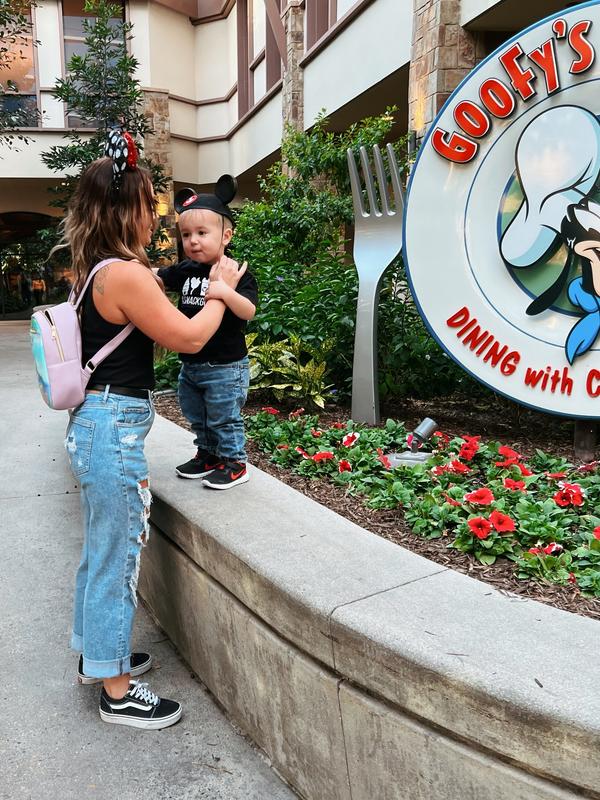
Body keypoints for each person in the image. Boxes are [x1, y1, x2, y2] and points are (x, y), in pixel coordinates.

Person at [59, 127, 245, 729]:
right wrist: (222, 290)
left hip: (95, 422)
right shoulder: (126, 274)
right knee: (118, 557)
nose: (158, 220)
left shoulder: (92, 269)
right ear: (125, 209)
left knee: (100, 551)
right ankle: (117, 692)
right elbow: (190, 337)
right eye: (149, 207)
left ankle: (99, 655)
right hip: (112, 425)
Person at [156, 178, 258, 490]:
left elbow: (248, 311)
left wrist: (225, 293)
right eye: (186, 235)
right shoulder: (185, 269)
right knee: (196, 412)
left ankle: (234, 462)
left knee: (223, 416)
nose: (193, 241)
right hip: (193, 364)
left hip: (226, 366)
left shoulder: (236, 271)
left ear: (226, 235)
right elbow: (157, 278)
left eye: (202, 233)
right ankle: (208, 455)